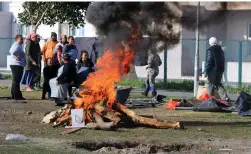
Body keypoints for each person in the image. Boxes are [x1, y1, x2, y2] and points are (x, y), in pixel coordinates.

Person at [204, 37, 230, 101]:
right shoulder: (221, 50)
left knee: (209, 83)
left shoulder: (210, 49)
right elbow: (223, 60)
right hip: (220, 70)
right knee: (218, 84)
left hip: (212, 70)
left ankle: (208, 99)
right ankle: (225, 97)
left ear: (210, 43)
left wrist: (206, 71)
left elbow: (209, 61)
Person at [9, 35, 26, 100]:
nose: (22, 40)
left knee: (16, 80)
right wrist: (17, 56)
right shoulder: (16, 45)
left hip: (18, 65)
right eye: (21, 39)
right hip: (16, 65)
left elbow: (11, 51)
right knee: (16, 80)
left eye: (22, 39)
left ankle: (15, 94)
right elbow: (12, 51)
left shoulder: (18, 45)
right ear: (17, 39)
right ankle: (16, 95)